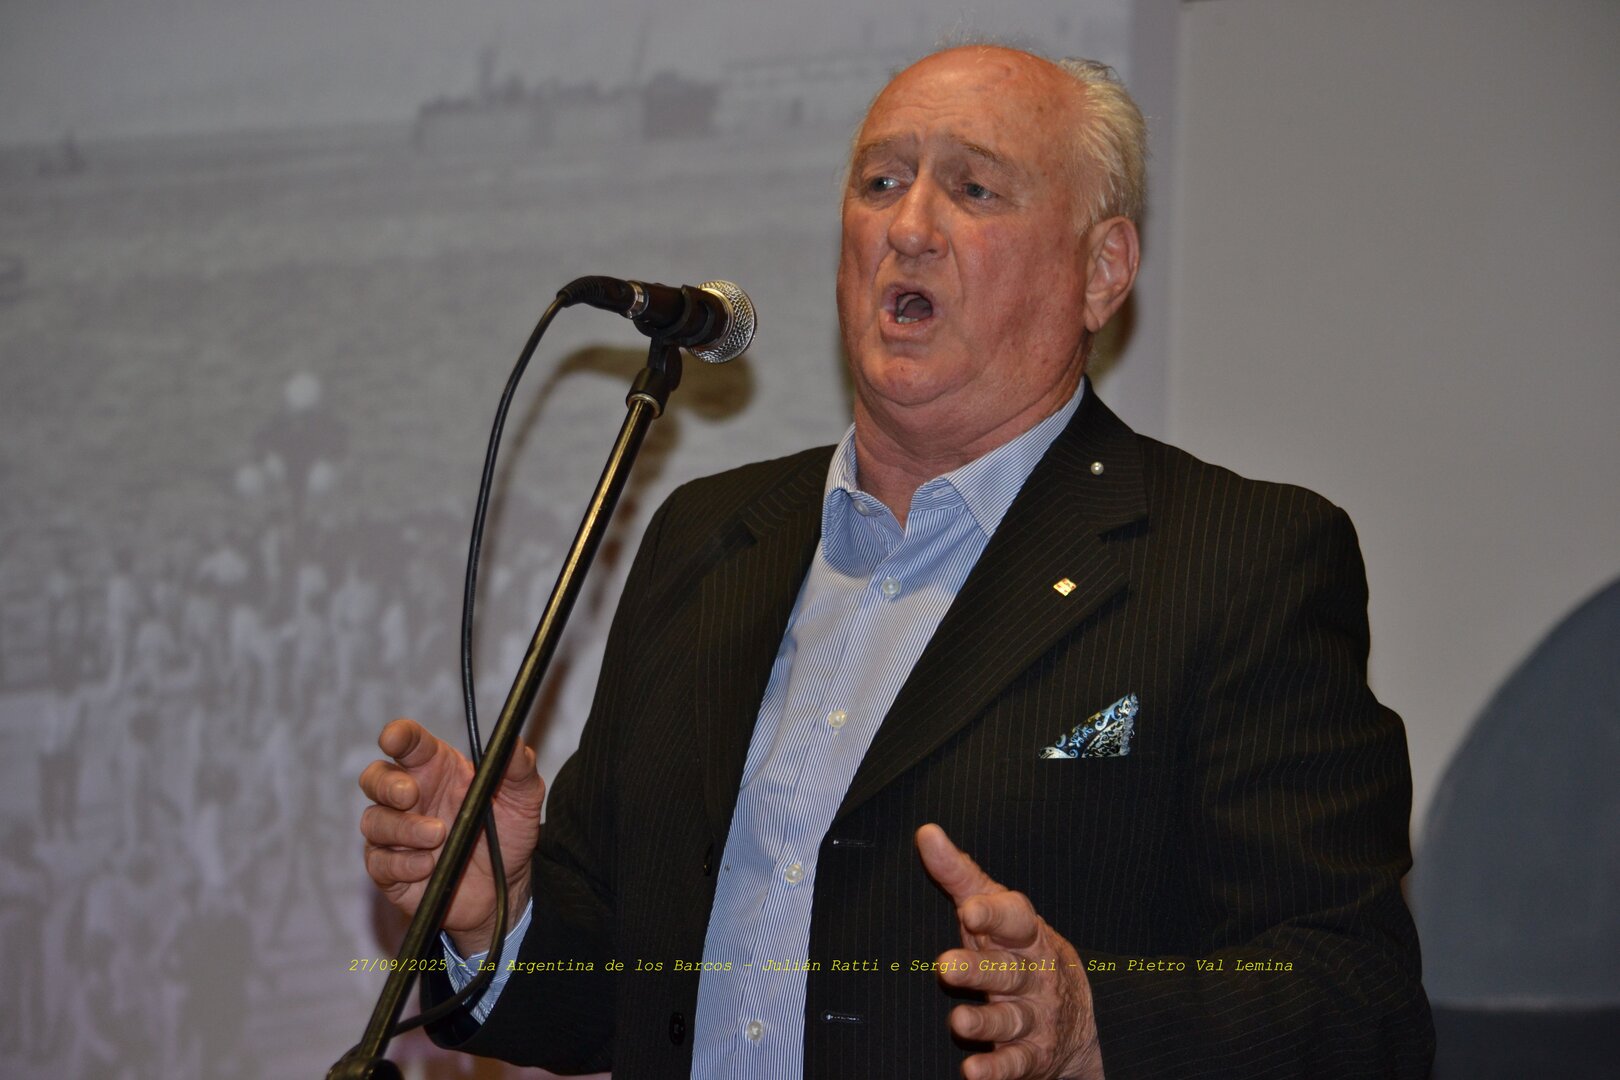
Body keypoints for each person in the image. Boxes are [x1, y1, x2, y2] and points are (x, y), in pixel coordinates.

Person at [359, 45, 1434, 1079]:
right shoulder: (709, 536)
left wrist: (1093, 1025)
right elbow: (621, 995)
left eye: (974, 190)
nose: (909, 228)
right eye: (881, 183)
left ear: (1102, 270)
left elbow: (1359, 1001)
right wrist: (501, 912)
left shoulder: (1239, 563)